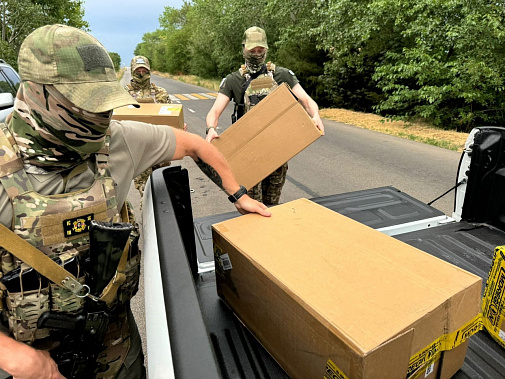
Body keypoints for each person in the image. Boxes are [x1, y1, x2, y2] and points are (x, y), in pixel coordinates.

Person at [0, 24, 270, 379]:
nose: (101, 118)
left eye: (105, 104)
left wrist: (238, 195)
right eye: (88, 105)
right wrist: (16, 357)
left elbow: (195, 144)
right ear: (37, 94)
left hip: (117, 349)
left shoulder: (118, 141)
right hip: (36, 365)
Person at [206, 26, 325, 206]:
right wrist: (211, 129)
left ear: (266, 49)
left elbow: (306, 101)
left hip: (276, 150)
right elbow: (214, 111)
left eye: (260, 49)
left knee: (272, 204)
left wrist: (315, 115)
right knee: (252, 206)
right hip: (247, 152)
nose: (256, 53)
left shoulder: (281, 74)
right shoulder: (233, 80)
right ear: (244, 48)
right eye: (252, 50)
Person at [125, 55, 172, 198]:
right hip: (138, 149)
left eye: (144, 71)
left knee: (163, 187)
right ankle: (149, 217)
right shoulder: (124, 94)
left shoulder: (160, 93)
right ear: (132, 71)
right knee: (145, 192)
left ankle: (162, 217)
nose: (141, 74)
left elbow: (171, 115)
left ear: (149, 71)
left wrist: (178, 126)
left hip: (159, 147)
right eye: (138, 71)